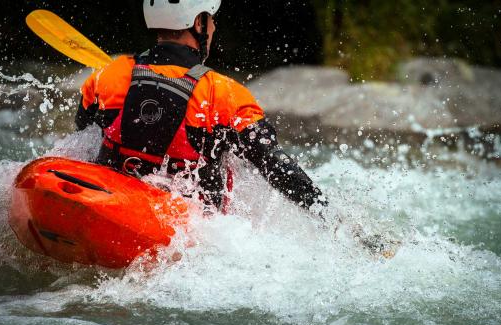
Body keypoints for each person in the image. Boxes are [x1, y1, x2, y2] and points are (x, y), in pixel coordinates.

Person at [75, 0, 327, 213]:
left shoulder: (108, 77)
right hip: (188, 230)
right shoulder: (223, 93)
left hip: (110, 201)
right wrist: (324, 211)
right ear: (198, 23)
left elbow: (82, 135)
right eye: (211, 18)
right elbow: (273, 163)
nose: (214, 26)